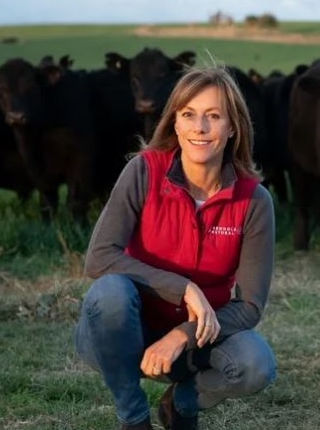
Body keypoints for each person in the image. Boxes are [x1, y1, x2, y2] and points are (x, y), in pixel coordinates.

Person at [73, 64, 277, 430]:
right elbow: (98, 259)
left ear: (232, 128)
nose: (200, 128)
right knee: (109, 291)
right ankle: (133, 418)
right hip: (121, 336)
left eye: (213, 116)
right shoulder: (143, 171)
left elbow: (249, 307)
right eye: (189, 115)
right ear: (175, 123)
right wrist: (184, 288)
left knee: (255, 364)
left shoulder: (254, 200)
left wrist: (182, 333)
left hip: (196, 343)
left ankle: (181, 404)